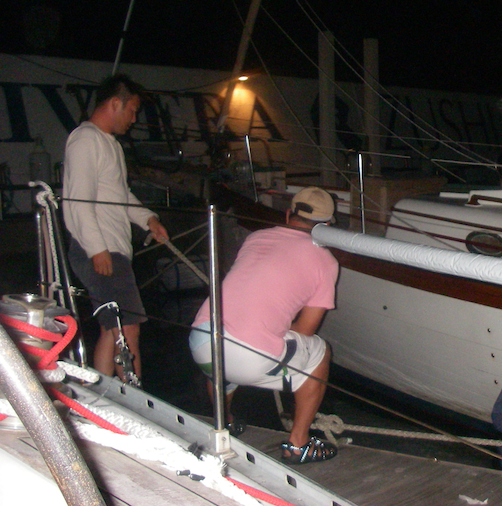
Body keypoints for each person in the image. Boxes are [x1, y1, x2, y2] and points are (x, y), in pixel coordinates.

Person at [189, 186, 339, 464]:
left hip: (202, 342)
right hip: (247, 356)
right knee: (320, 351)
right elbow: (307, 329)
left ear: (288, 214)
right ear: (328, 227)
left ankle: (225, 422)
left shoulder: (256, 237)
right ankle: (298, 444)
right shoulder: (325, 261)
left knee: (228, 353)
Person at [63, 74, 169, 381]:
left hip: (110, 249)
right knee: (127, 328)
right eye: (132, 110)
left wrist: (148, 219)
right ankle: (135, 398)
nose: (134, 119)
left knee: (112, 329)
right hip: (101, 249)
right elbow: (77, 200)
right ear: (114, 104)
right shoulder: (86, 140)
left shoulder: (109, 144)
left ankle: (101, 395)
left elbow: (120, 195)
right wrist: (97, 249)